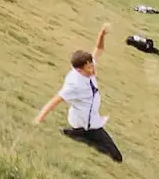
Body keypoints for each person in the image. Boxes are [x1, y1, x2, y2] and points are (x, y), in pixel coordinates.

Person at [33, 26, 123, 163]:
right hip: (86, 125)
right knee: (115, 157)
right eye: (89, 68)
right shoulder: (74, 84)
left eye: (92, 65)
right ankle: (73, 134)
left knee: (115, 156)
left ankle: (74, 134)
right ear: (79, 70)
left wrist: (102, 34)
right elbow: (55, 100)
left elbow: (98, 50)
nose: (93, 69)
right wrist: (38, 119)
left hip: (93, 121)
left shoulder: (88, 66)